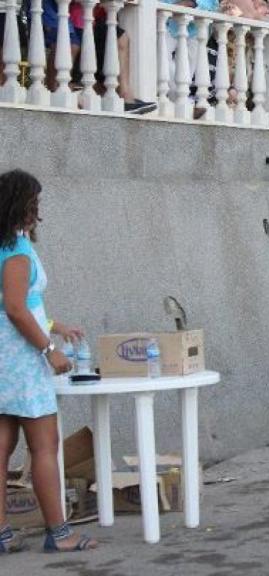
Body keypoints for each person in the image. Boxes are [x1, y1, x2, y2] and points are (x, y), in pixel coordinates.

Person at [1, 170, 97, 553]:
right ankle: (60, 534)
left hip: (7, 354)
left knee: (3, 444)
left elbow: (22, 305)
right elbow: (15, 308)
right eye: (33, 204)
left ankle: (3, 535)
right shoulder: (17, 250)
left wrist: (56, 326)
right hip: (20, 359)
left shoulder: (6, 245)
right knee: (45, 445)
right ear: (18, 206)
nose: (37, 213)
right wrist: (48, 350)